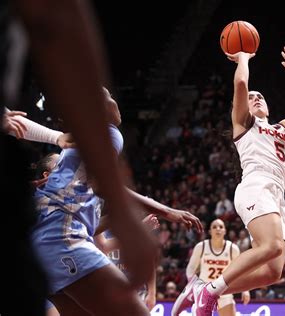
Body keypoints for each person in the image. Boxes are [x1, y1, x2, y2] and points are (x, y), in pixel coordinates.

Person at [0, 1, 156, 314]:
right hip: (61, 239)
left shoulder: (71, 146)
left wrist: (56, 137)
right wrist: (126, 216)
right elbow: (64, 28)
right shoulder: (106, 135)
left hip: (42, 241)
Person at [31, 88, 203, 315]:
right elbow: (103, 185)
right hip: (62, 239)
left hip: (41, 249)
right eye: (108, 96)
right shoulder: (109, 133)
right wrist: (164, 210)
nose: (114, 100)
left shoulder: (77, 144)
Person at [175, 46, 285, 315]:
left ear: (268, 105)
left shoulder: (282, 129)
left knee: (272, 272)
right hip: (255, 187)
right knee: (273, 245)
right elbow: (241, 82)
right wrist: (243, 57)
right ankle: (210, 291)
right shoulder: (243, 124)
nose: (255, 98)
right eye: (251, 97)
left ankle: (202, 287)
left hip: (275, 194)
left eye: (260, 96)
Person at [172, 218, 250, 316]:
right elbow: (190, 269)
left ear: (225, 231)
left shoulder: (232, 248)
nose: (218, 229)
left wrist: (245, 290)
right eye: (214, 227)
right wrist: (193, 286)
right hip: (204, 290)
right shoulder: (201, 246)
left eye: (221, 227)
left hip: (224, 290)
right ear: (210, 231)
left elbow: (240, 270)